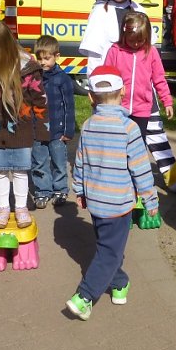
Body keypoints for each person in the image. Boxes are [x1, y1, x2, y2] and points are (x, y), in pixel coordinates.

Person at [80, 0, 176, 185]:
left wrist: (163, 94)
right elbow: (95, 54)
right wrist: (97, 88)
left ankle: (174, 176)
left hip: (140, 88)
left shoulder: (138, 9)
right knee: (113, 136)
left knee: (154, 129)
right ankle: (107, 176)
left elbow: (149, 49)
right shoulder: (99, 11)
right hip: (112, 88)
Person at [66, 65, 158, 320]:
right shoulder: (129, 128)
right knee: (109, 250)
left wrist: (80, 190)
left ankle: (103, 289)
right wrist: (150, 197)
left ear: (91, 97)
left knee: (108, 248)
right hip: (117, 205)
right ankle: (102, 289)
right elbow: (141, 168)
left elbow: (80, 161)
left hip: (97, 201)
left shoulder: (87, 125)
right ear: (124, 91)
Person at [0, 20, 49, 230]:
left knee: (21, 170)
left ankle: (21, 207)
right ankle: (3, 208)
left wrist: (42, 127)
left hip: (21, 129)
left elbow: (40, 99)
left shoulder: (27, 67)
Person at [104, 10, 176, 183]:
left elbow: (159, 79)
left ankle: (135, 178)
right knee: (119, 144)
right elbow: (106, 78)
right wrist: (102, 102)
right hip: (119, 109)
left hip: (142, 110)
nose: (135, 44)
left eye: (140, 40)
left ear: (147, 36)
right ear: (123, 34)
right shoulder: (115, 51)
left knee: (137, 147)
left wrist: (167, 101)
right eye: (131, 40)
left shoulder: (151, 52)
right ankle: (118, 176)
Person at [31, 35, 75, 209]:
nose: (43, 62)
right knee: (39, 162)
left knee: (58, 161)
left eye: (47, 58)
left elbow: (69, 107)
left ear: (57, 56)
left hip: (58, 131)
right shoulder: (33, 77)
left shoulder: (62, 79)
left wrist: (68, 130)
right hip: (37, 130)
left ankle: (60, 189)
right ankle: (42, 191)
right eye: (40, 58)